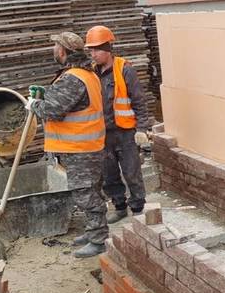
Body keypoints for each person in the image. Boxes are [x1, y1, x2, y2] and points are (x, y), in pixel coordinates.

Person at [27, 32, 108, 258]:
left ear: (62, 50)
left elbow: (53, 111)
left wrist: (34, 104)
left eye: (55, 46)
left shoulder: (73, 78)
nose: (53, 50)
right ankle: (93, 231)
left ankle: (98, 240)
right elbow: (69, 104)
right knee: (91, 191)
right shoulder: (85, 74)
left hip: (81, 149)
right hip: (87, 147)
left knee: (86, 194)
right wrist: (47, 95)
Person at [84, 25, 150, 224]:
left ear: (108, 49)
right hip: (103, 133)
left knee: (132, 171)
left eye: (97, 50)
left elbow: (139, 100)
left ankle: (138, 208)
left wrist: (142, 129)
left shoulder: (125, 70)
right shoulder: (92, 73)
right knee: (109, 173)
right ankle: (119, 206)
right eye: (91, 50)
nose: (93, 54)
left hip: (125, 132)